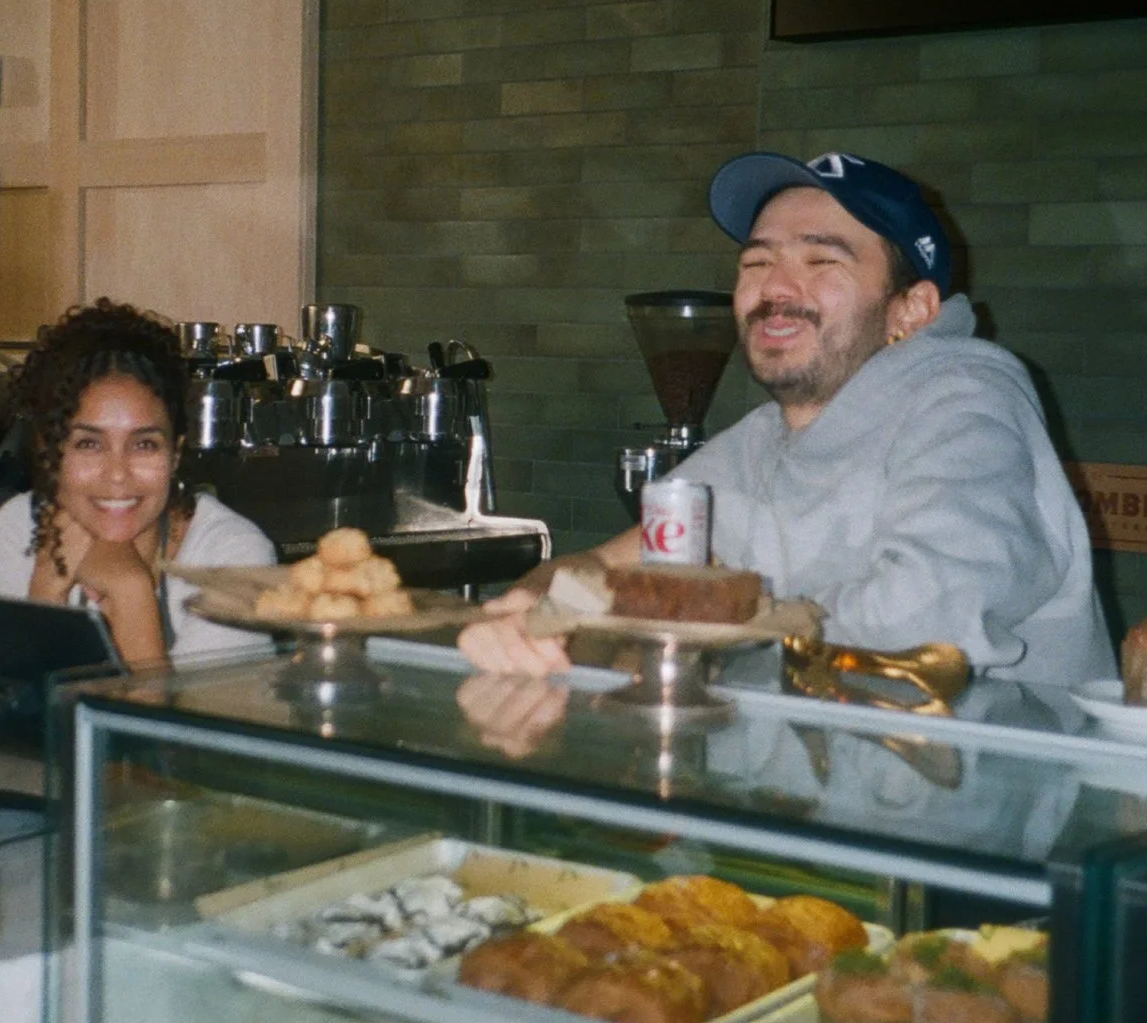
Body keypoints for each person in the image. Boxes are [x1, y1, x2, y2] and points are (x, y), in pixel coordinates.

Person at [462, 151, 1114, 686]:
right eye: (757, 261)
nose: (774, 286)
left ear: (911, 311)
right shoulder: (762, 441)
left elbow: (928, 615)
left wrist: (672, 652)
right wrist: (528, 608)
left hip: (981, 798)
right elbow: (601, 567)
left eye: (821, 260)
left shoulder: (967, 396)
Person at [0, 300, 274, 666]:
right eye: (89, 444)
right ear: (50, 454)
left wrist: (132, 594)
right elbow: (12, 694)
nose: (117, 474)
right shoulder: (23, 527)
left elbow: (184, 709)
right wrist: (47, 588)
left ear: (175, 454)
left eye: (144, 444)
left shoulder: (233, 560)